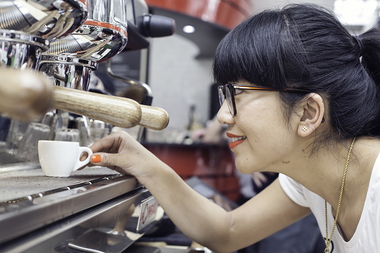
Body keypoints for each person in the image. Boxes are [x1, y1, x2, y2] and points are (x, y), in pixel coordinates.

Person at [87, 4, 380, 252]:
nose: (224, 116)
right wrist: (145, 164)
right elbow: (228, 230)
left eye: (237, 94)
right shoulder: (311, 177)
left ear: (307, 113)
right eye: (223, 95)